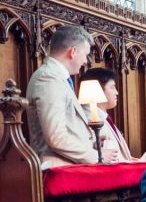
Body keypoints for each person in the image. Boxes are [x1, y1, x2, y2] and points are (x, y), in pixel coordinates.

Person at [26, 25, 114, 166]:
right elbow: (56, 137)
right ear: (73, 52)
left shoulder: (57, 77)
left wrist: (90, 143)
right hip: (57, 170)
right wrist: (96, 156)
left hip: (68, 166)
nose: (86, 61)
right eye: (85, 55)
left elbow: (64, 129)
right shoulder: (48, 78)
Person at [80, 67, 146, 162]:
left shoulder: (103, 117)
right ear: (98, 89)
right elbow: (101, 158)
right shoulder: (89, 119)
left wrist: (131, 160)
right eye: (112, 87)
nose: (117, 92)